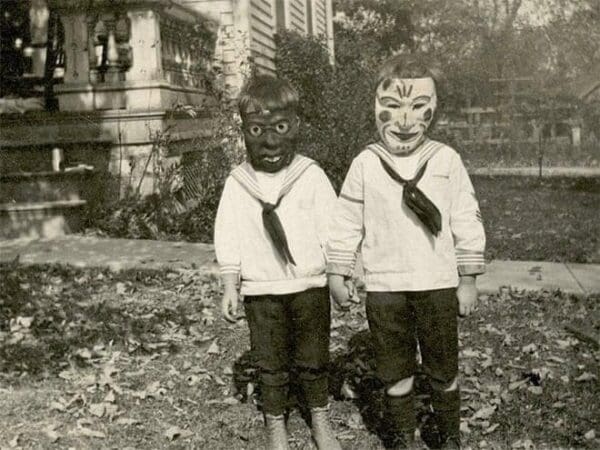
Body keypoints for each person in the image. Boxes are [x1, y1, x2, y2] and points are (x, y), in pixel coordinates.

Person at [327, 55, 486, 449]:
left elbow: (466, 218)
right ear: (375, 106)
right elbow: (346, 221)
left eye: (417, 106)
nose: (404, 120)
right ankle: (403, 438)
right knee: (395, 371)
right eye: (392, 106)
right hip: (386, 289)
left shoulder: (446, 160)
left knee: (442, 367)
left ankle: (448, 437)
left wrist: (467, 279)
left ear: (434, 108)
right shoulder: (366, 164)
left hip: (436, 284)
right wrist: (337, 273)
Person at [214, 74, 341, 450]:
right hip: (262, 290)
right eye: (257, 130)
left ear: (296, 126)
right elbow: (228, 236)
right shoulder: (238, 183)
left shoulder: (310, 176)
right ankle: (275, 425)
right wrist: (230, 285)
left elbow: (332, 229)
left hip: (309, 287)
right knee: (269, 363)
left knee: (313, 357)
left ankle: (319, 418)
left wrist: (340, 274)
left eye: (280, 128)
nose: (270, 142)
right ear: (244, 131)